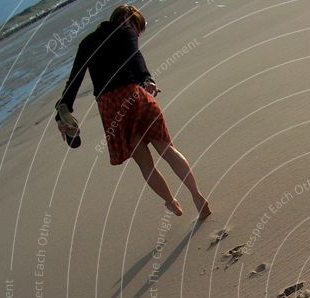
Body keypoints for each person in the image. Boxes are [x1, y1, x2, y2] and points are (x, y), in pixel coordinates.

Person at [55, 4, 211, 219]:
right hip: (134, 96)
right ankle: (197, 196)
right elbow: (134, 56)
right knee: (167, 150)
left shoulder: (87, 43)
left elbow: (74, 80)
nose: (137, 33)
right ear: (129, 20)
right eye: (139, 29)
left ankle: (170, 201)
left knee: (145, 165)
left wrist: (62, 110)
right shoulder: (125, 31)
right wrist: (146, 78)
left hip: (111, 107)